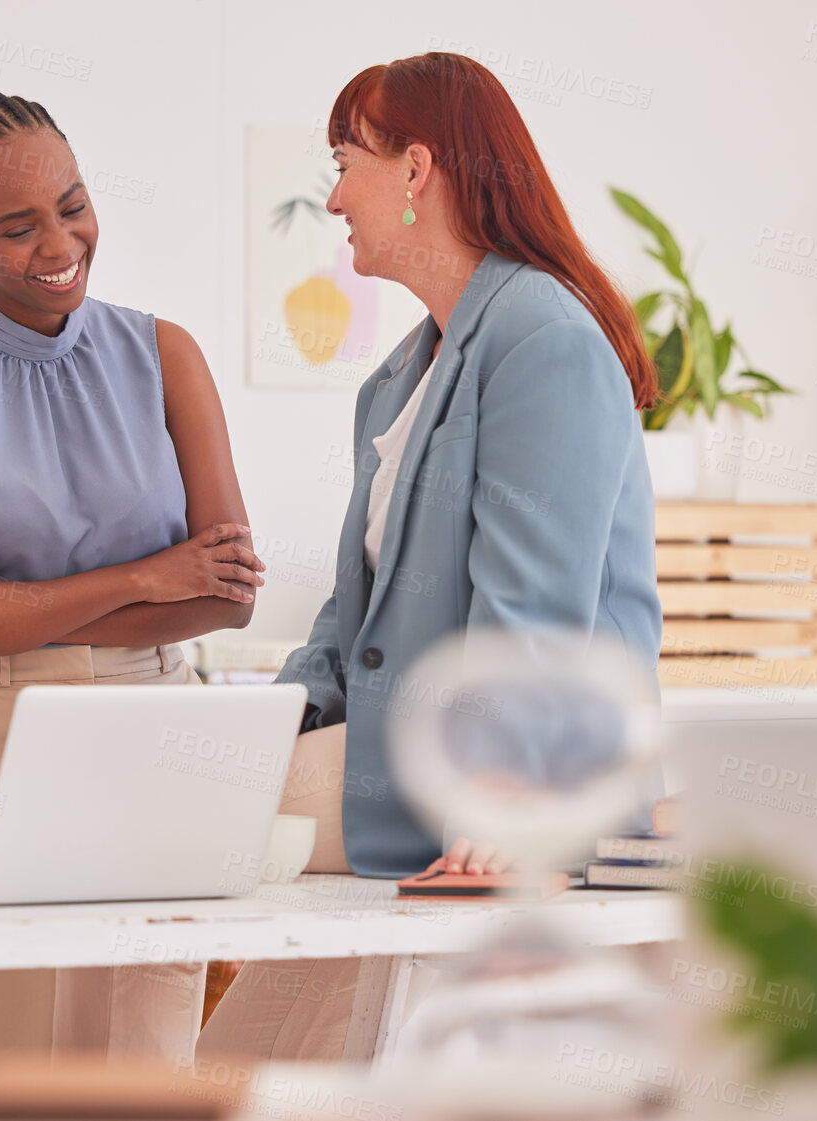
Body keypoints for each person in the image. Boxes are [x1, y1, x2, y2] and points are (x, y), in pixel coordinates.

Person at [196, 51, 664, 1062]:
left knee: (194, 811)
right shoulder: (399, 377)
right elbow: (346, 614)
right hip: (396, 754)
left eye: (343, 162)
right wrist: (268, 718)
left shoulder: (544, 339)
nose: (331, 197)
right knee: (239, 1046)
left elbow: (535, 604)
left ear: (416, 172)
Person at [0, 90, 263, 1066]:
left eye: (72, 205)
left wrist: (12, 600)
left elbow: (228, 590)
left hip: (155, 721)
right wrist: (150, 573)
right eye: (16, 225)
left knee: (146, 1041)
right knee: (8, 1054)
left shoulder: (164, 353)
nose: (59, 242)